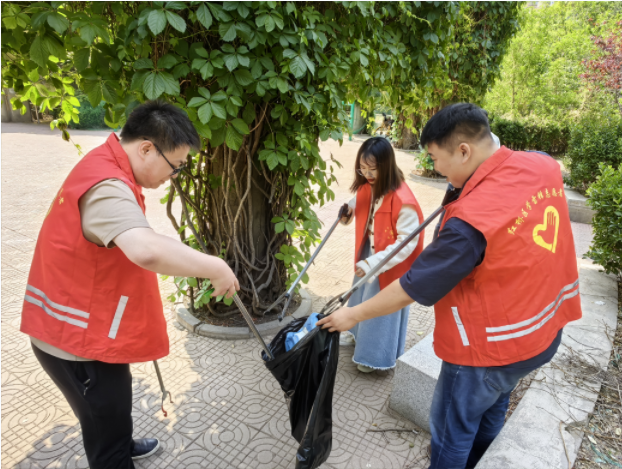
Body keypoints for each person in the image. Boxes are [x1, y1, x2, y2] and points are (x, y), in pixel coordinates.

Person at [318, 103, 582, 469]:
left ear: (463, 151)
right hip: (544, 331)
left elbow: (413, 286)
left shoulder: (468, 223)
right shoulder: (541, 164)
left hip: (488, 348)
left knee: (452, 431)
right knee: (494, 402)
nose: (435, 169)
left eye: (435, 159)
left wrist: (353, 315)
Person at [20, 101, 240, 469]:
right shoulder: (107, 186)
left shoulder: (108, 164)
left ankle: (120, 438)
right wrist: (214, 266)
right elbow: (145, 249)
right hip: (73, 341)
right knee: (103, 423)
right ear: (146, 148)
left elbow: (143, 237)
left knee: (113, 405)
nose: (175, 175)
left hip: (85, 327)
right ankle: (115, 451)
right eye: (176, 165)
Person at [338, 137, 425, 372]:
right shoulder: (369, 187)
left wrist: (373, 264)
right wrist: (346, 214)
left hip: (388, 262)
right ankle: (356, 334)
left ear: (385, 165)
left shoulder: (404, 201)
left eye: (372, 169)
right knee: (360, 297)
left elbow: (405, 244)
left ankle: (373, 355)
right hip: (370, 253)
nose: (366, 174)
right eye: (362, 168)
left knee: (379, 306)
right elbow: (354, 206)